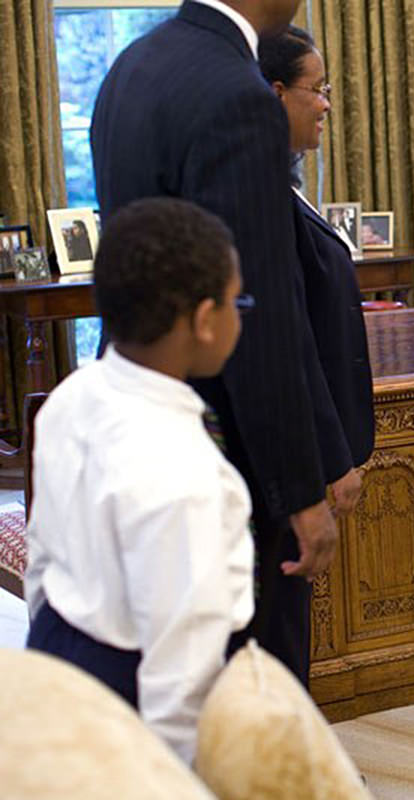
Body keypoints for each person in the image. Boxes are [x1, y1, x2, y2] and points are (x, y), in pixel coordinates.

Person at [90, 0, 338, 684]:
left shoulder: (132, 67)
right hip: (224, 445)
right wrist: (300, 490)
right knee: (252, 674)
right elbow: (259, 310)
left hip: (139, 415)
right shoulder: (237, 94)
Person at [24, 197, 253, 764]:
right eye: (235, 302)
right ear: (204, 321)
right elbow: (182, 664)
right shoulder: (184, 470)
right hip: (133, 686)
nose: (239, 316)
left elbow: (42, 557)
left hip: (57, 643)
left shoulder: (72, 397)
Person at [260, 25, 373, 517]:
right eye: (318, 89)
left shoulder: (282, 180)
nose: (327, 104)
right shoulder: (259, 196)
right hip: (300, 457)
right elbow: (290, 340)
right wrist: (333, 458)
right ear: (277, 93)